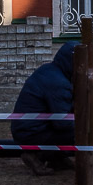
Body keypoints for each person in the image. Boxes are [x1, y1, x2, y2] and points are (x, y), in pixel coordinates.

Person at [11, 42, 77, 175]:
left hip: (26, 129)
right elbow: (62, 123)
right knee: (81, 134)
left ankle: (57, 159)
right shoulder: (59, 83)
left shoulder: (50, 70)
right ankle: (36, 156)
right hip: (31, 133)